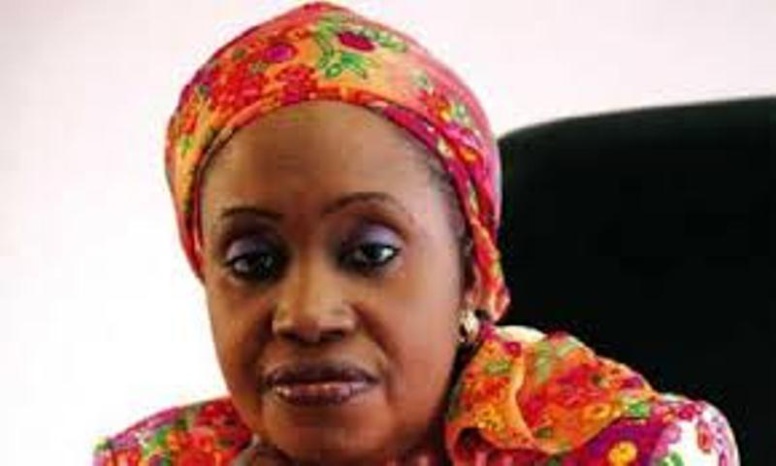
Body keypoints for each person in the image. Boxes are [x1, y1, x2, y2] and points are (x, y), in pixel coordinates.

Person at [94, 3, 739, 465]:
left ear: (472, 274)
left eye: (370, 253)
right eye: (253, 262)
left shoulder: (636, 452)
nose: (307, 315)